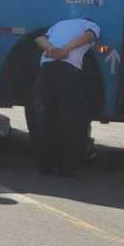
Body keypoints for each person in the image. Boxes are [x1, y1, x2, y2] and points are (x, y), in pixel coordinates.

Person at [33, 18, 101, 176]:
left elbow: (40, 38)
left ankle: (45, 166)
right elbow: (89, 36)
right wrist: (64, 50)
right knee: (70, 119)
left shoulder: (57, 24)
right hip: (68, 71)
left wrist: (52, 50)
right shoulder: (92, 25)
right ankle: (66, 167)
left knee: (48, 117)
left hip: (46, 69)